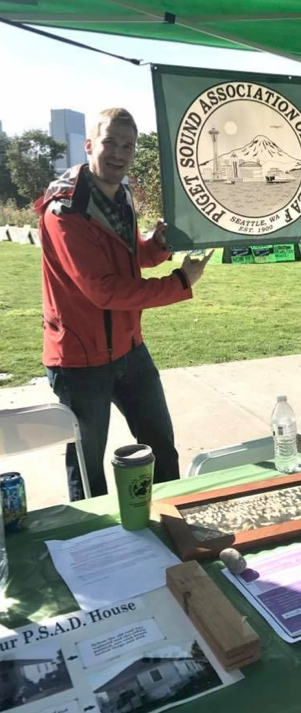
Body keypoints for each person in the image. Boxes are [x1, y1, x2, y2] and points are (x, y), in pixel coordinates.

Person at [35, 107, 213, 501]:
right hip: (80, 361)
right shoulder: (65, 210)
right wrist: (180, 282)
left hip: (131, 351)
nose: (118, 153)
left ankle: (173, 526)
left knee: (162, 449)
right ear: (88, 146)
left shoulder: (120, 195)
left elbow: (126, 258)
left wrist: (158, 247)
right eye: (109, 142)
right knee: (87, 466)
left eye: (127, 145)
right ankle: (95, 546)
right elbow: (104, 290)